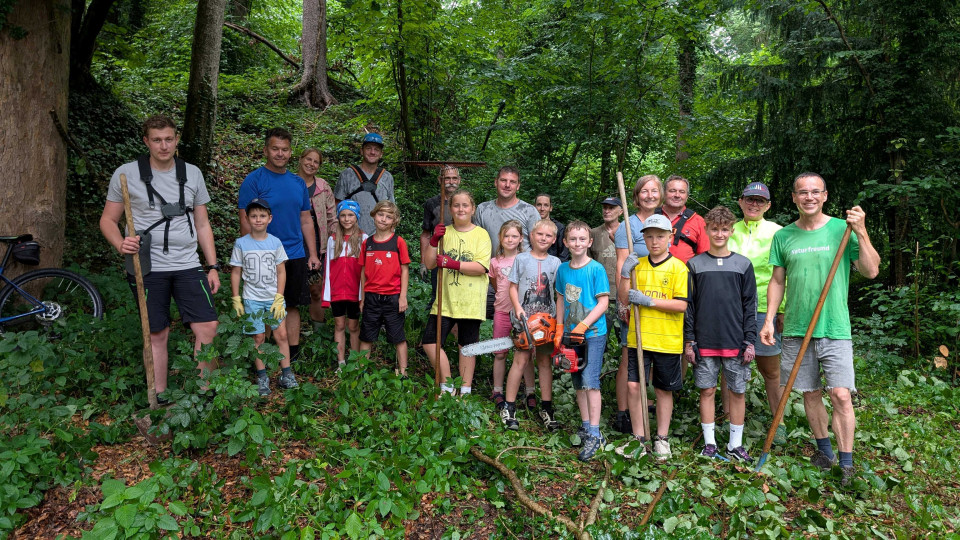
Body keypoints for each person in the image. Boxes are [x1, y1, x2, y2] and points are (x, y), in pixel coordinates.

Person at [760, 172, 880, 486]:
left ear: (825, 196)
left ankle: (847, 463)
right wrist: (770, 319)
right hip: (797, 328)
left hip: (835, 327)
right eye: (803, 192)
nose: (809, 197)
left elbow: (870, 270)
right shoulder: (784, 236)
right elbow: (777, 281)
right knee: (810, 393)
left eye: (815, 192)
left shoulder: (842, 230)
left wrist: (862, 231)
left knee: (840, 394)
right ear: (794, 198)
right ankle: (823, 451)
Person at [99, 115, 220, 402]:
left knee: (208, 326)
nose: (163, 145)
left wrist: (212, 266)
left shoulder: (192, 174)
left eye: (168, 139)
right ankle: (160, 395)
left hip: (188, 263)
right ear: (146, 142)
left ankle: (204, 392)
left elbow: (203, 224)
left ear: (176, 140)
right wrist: (120, 243)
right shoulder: (126, 174)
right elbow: (107, 220)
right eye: (157, 140)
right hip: (147, 266)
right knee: (157, 333)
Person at [238, 128, 320, 366]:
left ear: (291, 152)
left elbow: (306, 219)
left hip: (294, 253)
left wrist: (312, 253)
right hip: (263, 254)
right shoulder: (254, 180)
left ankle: (290, 356)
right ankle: (263, 356)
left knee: (291, 304)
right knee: (263, 304)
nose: (280, 153)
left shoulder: (297, 183)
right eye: (275, 149)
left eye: (284, 149)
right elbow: (245, 219)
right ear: (266, 150)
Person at [684, 206, 758, 462]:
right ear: (706, 230)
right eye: (714, 229)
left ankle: (735, 445)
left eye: (724, 229)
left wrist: (750, 340)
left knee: (737, 391)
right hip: (704, 340)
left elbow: (751, 305)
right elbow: (689, 306)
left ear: (731, 230)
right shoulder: (694, 264)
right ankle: (710, 443)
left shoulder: (743, 265)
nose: (719, 233)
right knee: (707, 390)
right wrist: (689, 340)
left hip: (735, 340)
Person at [615, 214, 689, 461]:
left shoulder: (679, 267)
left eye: (660, 236)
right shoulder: (638, 265)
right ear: (643, 239)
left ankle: (662, 439)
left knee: (662, 389)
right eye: (649, 236)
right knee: (634, 386)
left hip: (666, 339)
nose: (655, 241)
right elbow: (625, 298)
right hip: (639, 338)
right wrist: (626, 274)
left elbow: (681, 305)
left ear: (669, 237)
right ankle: (639, 439)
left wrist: (650, 301)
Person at [728, 181, 787, 445]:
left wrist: (782, 310)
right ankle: (728, 416)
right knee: (728, 364)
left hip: (765, 308)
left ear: (768, 206)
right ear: (740, 201)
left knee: (770, 369)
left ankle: (779, 420)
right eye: (749, 199)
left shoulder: (779, 232)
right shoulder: (728, 229)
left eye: (760, 201)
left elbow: (783, 274)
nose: (754, 204)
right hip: (729, 308)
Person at [422, 190, 492, 395]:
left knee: (467, 346)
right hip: (445, 300)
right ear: (450, 209)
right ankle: (447, 384)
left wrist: (451, 263)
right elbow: (429, 263)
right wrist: (434, 241)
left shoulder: (481, 234)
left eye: (465, 205)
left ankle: (466, 389)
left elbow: (481, 267)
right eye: (456, 205)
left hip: (470, 300)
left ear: (473, 209)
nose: (460, 209)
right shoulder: (444, 233)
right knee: (430, 342)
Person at [229, 199, 299, 396]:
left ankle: (286, 374)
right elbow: (235, 272)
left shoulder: (275, 242)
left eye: (262, 216)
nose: (258, 220)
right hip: (252, 298)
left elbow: (281, 271)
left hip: (273, 298)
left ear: (270, 218)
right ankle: (262, 377)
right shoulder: (241, 243)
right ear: (247, 218)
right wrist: (236, 298)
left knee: (281, 334)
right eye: (253, 216)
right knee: (258, 337)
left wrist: (279, 296)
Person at [611, 175, 662, 435]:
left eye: (654, 191)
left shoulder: (662, 222)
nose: (650, 195)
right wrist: (623, 301)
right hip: (633, 299)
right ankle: (623, 412)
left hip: (656, 300)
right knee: (628, 357)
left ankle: (645, 405)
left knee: (651, 355)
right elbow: (622, 264)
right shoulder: (627, 226)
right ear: (636, 195)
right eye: (645, 191)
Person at [555, 221, 609, 461]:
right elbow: (559, 300)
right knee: (577, 379)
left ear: (590, 242)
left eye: (582, 239)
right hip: (569, 335)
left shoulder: (596, 269)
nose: (577, 243)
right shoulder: (562, 269)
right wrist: (558, 329)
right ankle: (586, 425)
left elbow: (604, 303)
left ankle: (596, 434)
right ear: (565, 242)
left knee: (590, 380)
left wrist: (584, 325)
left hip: (593, 333)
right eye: (572, 239)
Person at [501, 219, 562, 431]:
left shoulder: (556, 263)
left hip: (547, 322)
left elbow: (559, 294)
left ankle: (546, 407)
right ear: (531, 236)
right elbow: (513, 286)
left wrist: (560, 321)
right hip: (524, 319)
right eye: (539, 234)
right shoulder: (521, 259)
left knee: (544, 362)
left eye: (548, 236)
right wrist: (517, 307)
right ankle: (509, 407)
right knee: (521, 360)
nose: (543, 238)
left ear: (554, 239)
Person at [488, 221, 537, 411]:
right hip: (501, 311)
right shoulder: (495, 262)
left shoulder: (525, 259)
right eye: (506, 236)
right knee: (500, 353)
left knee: (526, 355)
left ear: (521, 239)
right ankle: (497, 390)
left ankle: (530, 391)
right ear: (500, 238)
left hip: (523, 315)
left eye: (514, 236)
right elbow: (495, 283)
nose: (510, 239)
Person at [359, 201, 411, 376]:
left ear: (394, 220)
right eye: (381, 214)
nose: (383, 219)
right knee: (366, 336)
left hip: (393, 297)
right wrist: (363, 297)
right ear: (374, 215)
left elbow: (405, 269)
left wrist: (403, 297)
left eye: (389, 216)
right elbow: (363, 270)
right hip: (372, 296)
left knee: (398, 337)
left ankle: (403, 373)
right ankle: (361, 372)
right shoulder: (368, 243)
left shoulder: (398, 242)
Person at [324, 200, 367, 368]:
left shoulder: (364, 238)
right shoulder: (333, 239)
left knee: (353, 326)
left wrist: (363, 294)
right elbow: (328, 267)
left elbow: (366, 270)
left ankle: (355, 361)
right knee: (339, 325)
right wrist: (326, 295)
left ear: (356, 217)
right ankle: (341, 363)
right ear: (338, 217)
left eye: (350, 215)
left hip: (355, 291)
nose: (346, 219)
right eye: (343, 215)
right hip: (337, 291)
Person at [297, 148, 337, 326]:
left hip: (318, 241)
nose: (311, 164)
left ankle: (318, 333)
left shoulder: (323, 187)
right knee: (290, 285)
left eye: (316, 162)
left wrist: (337, 239)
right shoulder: (289, 182)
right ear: (300, 159)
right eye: (308, 159)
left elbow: (331, 217)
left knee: (316, 287)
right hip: (293, 240)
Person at [334, 133, 396, 235]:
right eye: (368, 148)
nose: (372, 152)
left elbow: (391, 209)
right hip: (352, 236)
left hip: (379, 237)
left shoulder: (387, 177)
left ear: (381, 154)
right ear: (361, 151)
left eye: (376, 149)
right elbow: (337, 205)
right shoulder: (347, 175)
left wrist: (391, 234)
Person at [474, 166, 541, 253]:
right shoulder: (482, 209)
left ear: (518, 186)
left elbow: (538, 247)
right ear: (496, 182)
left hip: (522, 266)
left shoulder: (529, 211)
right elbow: (477, 243)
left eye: (512, 182)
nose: (507, 185)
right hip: (492, 265)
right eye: (503, 180)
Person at [421, 165, 461, 295]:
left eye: (454, 178)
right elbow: (426, 234)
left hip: (461, 256)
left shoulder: (465, 202)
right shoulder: (432, 203)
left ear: (459, 180)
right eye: (447, 178)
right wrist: (423, 262)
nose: (451, 182)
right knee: (438, 295)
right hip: (438, 257)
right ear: (440, 180)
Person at [656, 175, 710, 263]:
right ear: (664, 193)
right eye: (672, 191)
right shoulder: (652, 217)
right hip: (651, 274)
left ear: (687, 196)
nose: (677, 195)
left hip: (684, 275)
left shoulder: (698, 221)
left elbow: (705, 257)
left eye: (682, 192)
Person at [534, 194, 570, 261]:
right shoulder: (530, 226)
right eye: (539, 205)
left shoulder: (559, 227)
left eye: (546, 205)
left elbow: (564, 254)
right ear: (534, 207)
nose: (542, 208)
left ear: (550, 208)